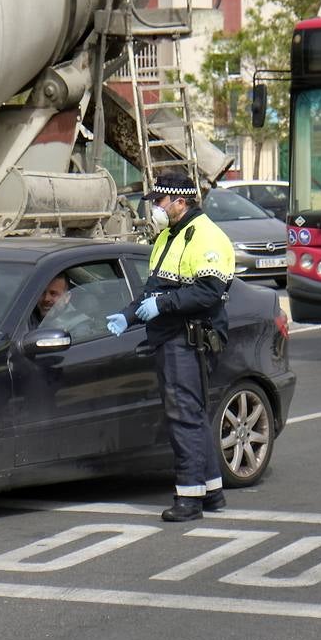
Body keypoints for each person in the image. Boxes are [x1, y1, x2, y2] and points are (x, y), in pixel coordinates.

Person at [105, 173, 236, 523]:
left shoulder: (207, 236)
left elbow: (211, 292)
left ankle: (189, 497)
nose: (156, 209)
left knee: (184, 417)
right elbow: (155, 287)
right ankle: (211, 491)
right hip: (169, 337)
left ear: (180, 202)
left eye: (160, 202)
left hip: (187, 338)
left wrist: (162, 306)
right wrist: (128, 315)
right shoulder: (169, 235)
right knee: (192, 415)